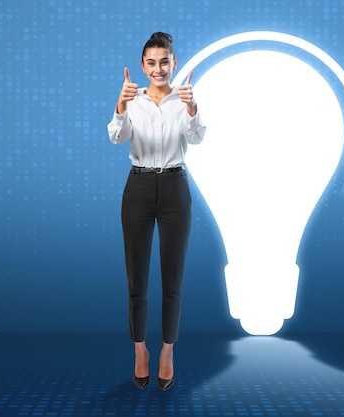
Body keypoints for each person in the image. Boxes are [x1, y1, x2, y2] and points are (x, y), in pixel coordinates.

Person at [107, 32, 207, 391]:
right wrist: (120, 105)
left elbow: (196, 138)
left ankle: (167, 351)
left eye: (164, 61)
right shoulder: (132, 99)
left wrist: (193, 109)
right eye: (151, 62)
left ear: (174, 63)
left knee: (172, 279)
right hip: (138, 186)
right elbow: (116, 138)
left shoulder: (184, 100)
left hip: (174, 187)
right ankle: (139, 351)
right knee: (137, 279)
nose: (158, 68)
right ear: (142, 66)